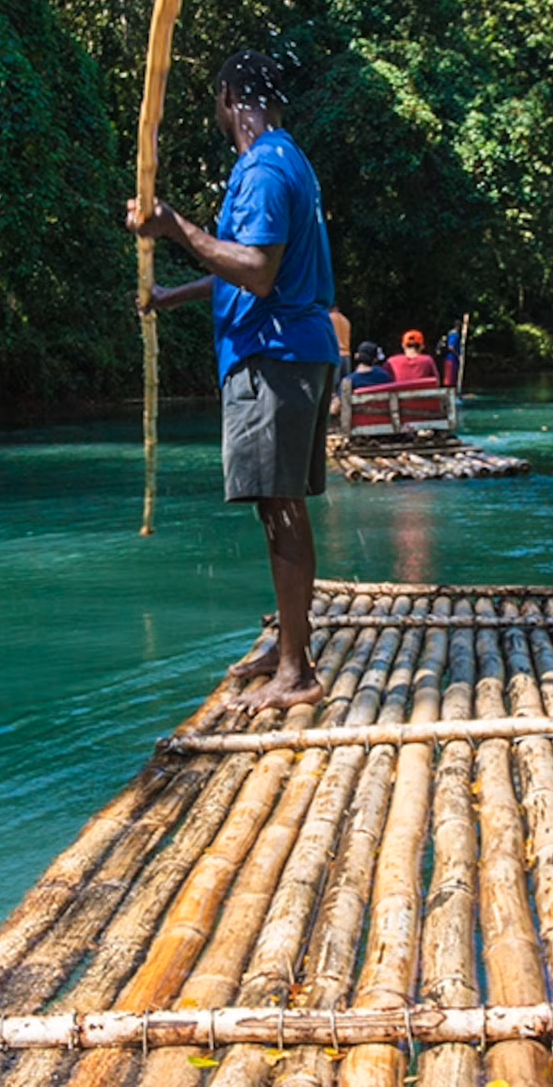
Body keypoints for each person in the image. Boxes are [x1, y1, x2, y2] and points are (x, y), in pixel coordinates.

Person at [128, 49, 338, 710]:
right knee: (280, 506)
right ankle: (290, 649)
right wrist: (171, 296)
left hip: (274, 355)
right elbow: (240, 269)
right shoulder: (282, 161)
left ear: (227, 98)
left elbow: (256, 270)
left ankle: (296, 673)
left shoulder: (267, 168)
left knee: (279, 508)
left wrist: (174, 226)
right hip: (287, 350)